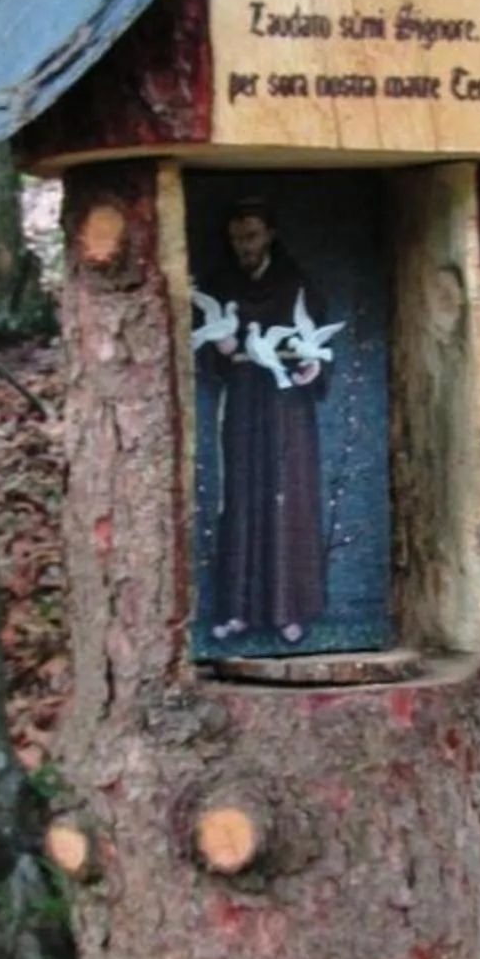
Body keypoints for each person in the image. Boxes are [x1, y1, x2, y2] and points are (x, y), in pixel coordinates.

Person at [194, 196, 334, 646]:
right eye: (236, 238)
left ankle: (290, 609)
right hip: (243, 404)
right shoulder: (219, 282)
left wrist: (313, 368)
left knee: (287, 498)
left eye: (251, 236)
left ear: (270, 233)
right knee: (242, 498)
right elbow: (212, 351)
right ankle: (237, 609)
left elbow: (314, 344)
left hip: (288, 408)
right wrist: (223, 350)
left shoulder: (297, 284)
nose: (244, 246)